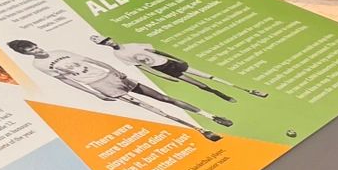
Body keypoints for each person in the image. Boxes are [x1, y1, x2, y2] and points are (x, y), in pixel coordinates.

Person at [6, 38, 230, 134]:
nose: (35, 50)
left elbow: (92, 60)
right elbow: (66, 80)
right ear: (25, 54)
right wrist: (95, 94)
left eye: (33, 46)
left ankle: (210, 116)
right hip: (100, 85)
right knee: (155, 110)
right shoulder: (39, 65)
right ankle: (201, 131)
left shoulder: (59, 51)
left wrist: (114, 70)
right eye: (30, 51)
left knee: (163, 98)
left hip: (112, 76)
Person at [89, 31, 268, 104]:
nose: (109, 42)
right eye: (105, 43)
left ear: (111, 38)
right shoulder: (119, 55)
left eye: (107, 39)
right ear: (103, 46)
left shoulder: (132, 45)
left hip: (171, 63)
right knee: (200, 85)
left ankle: (247, 90)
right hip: (164, 70)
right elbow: (143, 67)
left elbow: (156, 51)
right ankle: (219, 94)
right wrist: (163, 76)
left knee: (208, 75)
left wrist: (176, 58)